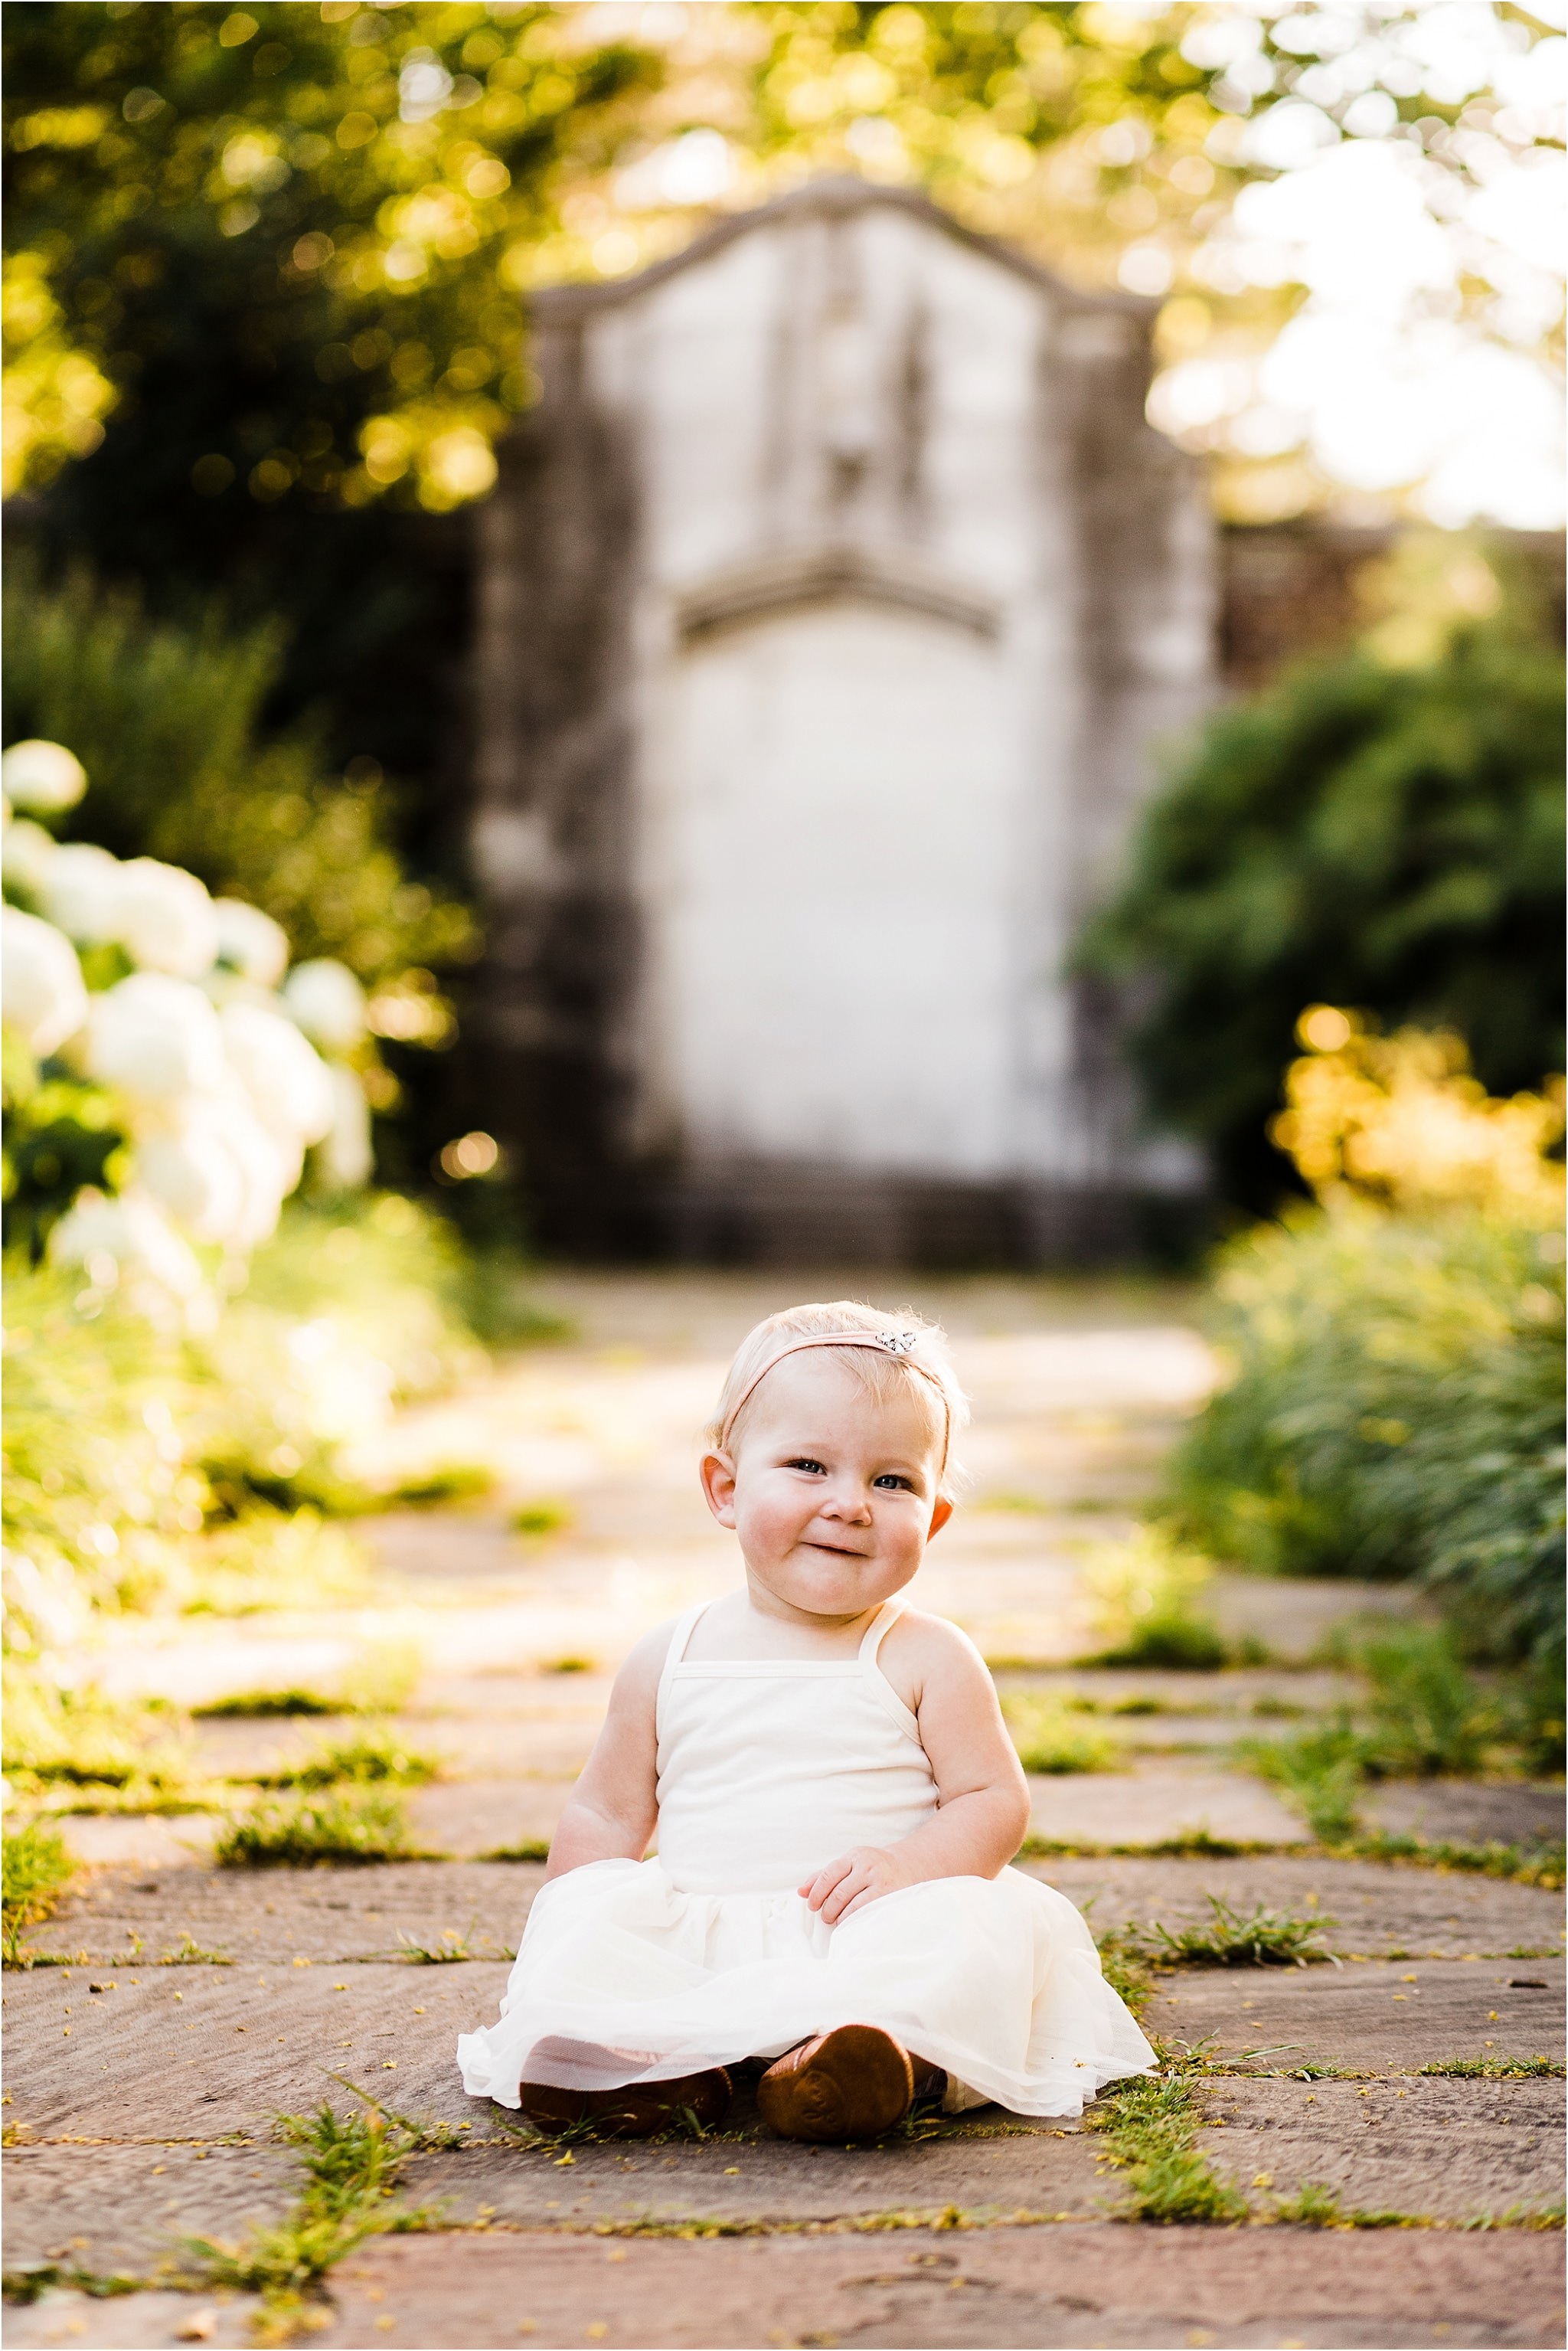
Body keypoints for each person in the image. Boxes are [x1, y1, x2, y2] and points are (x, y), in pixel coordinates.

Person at [457, 1300, 1155, 2140]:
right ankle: (640, 2065)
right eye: (808, 1465)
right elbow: (604, 1812)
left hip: (868, 1932)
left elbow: (990, 1801)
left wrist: (907, 1866)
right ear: (725, 1487)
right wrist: (569, 1929)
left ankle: (861, 2066)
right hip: (703, 1934)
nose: (850, 1503)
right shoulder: (667, 1657)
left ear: (932, 1518)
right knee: (601, 1921)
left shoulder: (925, 1655)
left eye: (890, 1480)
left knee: (968, 1933)